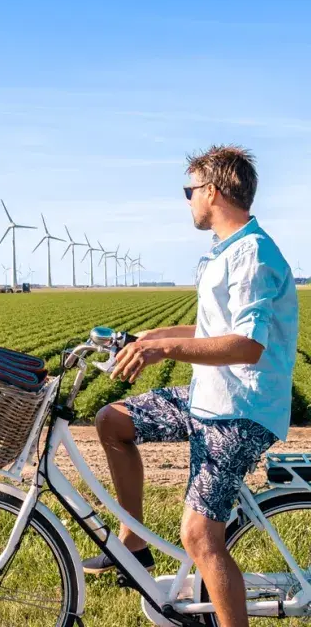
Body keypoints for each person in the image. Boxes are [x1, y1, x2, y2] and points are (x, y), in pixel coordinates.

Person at [83, 145, 298, 627]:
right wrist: (149, 337)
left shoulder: (253, 255)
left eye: (189, 190)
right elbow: (211, 332)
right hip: (210, 397)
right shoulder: (224, 253)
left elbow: (245, 344)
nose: (187, 201)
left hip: (239, 410)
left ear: (214, 191)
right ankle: (133, 545)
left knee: (200, 536)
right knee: (112, 421)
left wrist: (165, 351)